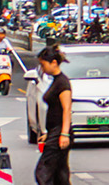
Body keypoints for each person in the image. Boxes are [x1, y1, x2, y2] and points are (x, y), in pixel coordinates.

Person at [37, 41, 73, 185]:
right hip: (55, 131)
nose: (42, 68)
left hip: (60, 131)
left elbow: (66, 109)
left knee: (43, 171)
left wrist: (64, 133)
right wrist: (49, 133)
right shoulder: (56, 81)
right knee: (60, 173)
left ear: (53, 63)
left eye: (43, 65)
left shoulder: (63, 83)